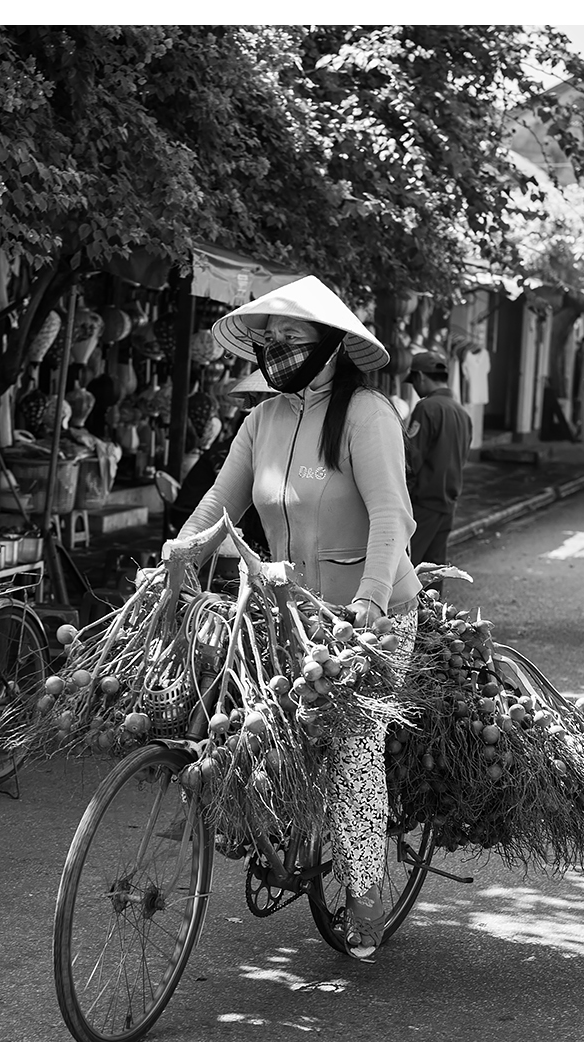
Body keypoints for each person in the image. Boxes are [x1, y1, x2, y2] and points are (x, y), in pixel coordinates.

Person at [168, 275, 420, 961]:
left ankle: (366, 897)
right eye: (268, 342)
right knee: (249, 722)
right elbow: (220, 506)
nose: (276, 353)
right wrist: (178, 554)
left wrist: (367, 603)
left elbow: (394, 516)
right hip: (293, 616)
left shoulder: (368, 415)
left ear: (330, 346)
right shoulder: (263, 421)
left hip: (374, 614)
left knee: (352, 753)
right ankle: (286, 830)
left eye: (291, 341)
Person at [403, 350, 473, 566]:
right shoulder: (462, 413)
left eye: (413, 380)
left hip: (423, 503)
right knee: (434, 569)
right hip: (448, 503)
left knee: (406, 570)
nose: (414, 386)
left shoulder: (426, 407)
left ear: (421, 377)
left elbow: (411, 459)